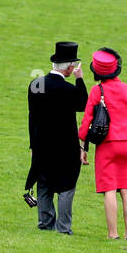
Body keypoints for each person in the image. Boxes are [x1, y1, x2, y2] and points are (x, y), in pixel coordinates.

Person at [79, 48, 127, 240]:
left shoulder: (96, 90)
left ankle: (112, 233)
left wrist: (83, 146)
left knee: (109, 189)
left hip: (107, 145)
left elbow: (86, 121)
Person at [25, 41, 88, 234]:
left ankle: (45, 223)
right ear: (70, 67)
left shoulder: (36, 84)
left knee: (44, 183)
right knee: (66, 186)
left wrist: (32, 144)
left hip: (41, 144)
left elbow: (32, 115)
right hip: (65, 146)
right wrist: (79, 80)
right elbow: (83, 104)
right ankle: (63, 227)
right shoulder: (69, 90)